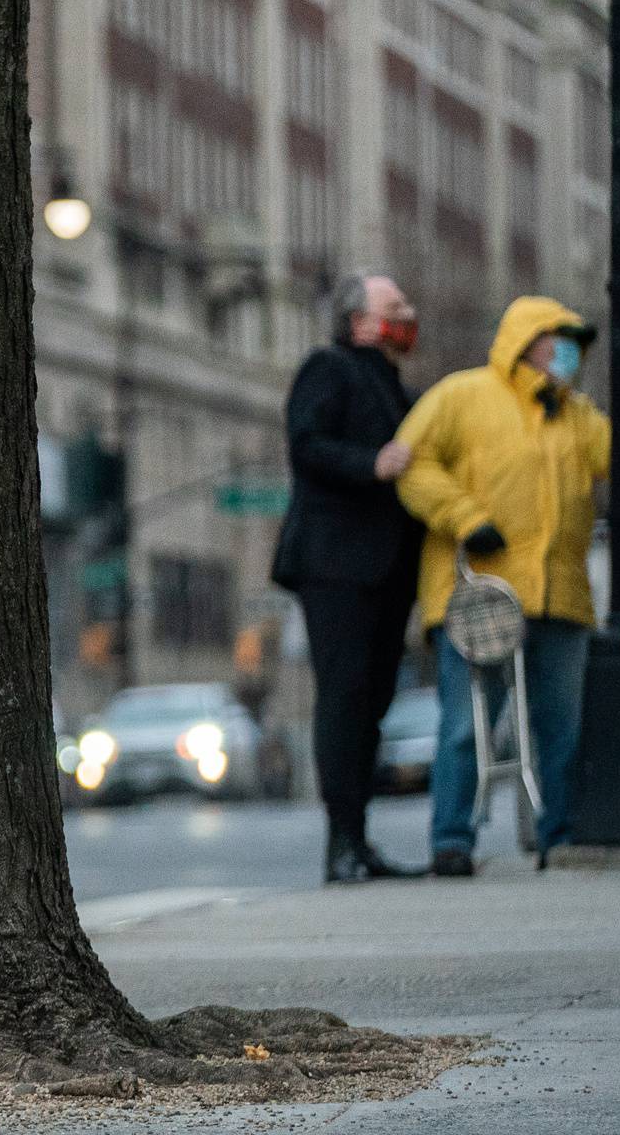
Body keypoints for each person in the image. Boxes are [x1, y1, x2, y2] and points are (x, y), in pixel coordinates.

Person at [394, 296, 610, 878]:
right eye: (556, 340)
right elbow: (410, 464)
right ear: (525, 343)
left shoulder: (578, 416)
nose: (567, 354)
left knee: (561, 730)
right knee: (466, 726)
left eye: (574, 344)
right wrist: (466, 518)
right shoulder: (462, 397)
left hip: (558, 597)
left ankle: (558, 837)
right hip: (476, 600)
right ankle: (452, 839)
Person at [272, 273, 427, 884]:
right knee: (344, 698)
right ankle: (341, 844)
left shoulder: (399, 389)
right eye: (395, 306)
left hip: (390, 571)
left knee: (374, 703)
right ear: (358, 321)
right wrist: (373, 463)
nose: (407, 315)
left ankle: (359, 842)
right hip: (336, 565)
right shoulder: (328, 369)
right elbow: (306, 446)